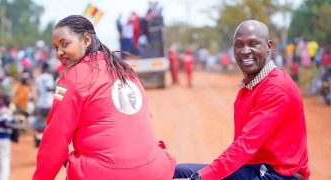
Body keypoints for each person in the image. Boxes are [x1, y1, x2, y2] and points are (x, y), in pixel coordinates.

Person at [32, 15, 175, 180]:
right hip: (156, 170)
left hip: (104, 174)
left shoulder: (73, 78)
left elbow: (55, 141)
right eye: (55, 47)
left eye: (65, 44)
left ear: (86, 40)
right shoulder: (124, 70)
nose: (59, 52)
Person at [173, 20, 310, 180]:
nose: (245, 51)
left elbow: (246, 145)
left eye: (253, 44)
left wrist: (203, 177)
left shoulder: (276, 88)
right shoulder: (251, 85)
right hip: (255, 167)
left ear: (269, 46)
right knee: (179, 171)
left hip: (278, 175)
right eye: (239, 45)